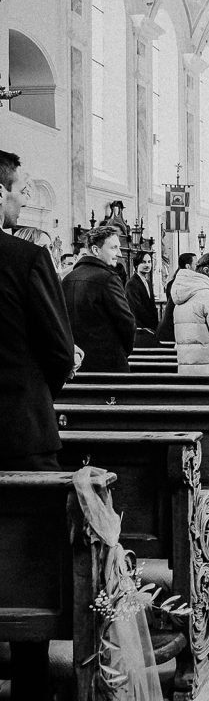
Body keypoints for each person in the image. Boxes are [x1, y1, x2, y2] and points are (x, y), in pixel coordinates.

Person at [0, 151, 78, 701]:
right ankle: (28, 679)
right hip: (17, 430)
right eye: (19, 188)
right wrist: (36, 395)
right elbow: (58, 349)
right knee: (26, 556)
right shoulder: (25, 256)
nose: (24, 197)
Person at [62, 225, 136, 373]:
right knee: (112, 398)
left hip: (77, 364)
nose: (119, 253)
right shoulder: (108, 278)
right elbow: (127, 322)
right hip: (108, 364)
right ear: (96, 250)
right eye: (114, 248)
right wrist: (121, 353)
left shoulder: (68, 278)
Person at [156, 252, 196, 343]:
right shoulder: (182, 285)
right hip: (171, 331)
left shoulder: (174, 282)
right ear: (188, 266)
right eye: (196, 264)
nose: (197, 268)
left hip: (172, 329)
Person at [125, 250, 159, 345]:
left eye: (149, 262)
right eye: (143, 262)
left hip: (150, 329)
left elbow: (151, 306)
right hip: (140, 330)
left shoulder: (147, 282)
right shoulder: (132, 283)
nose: (147, 265)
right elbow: (136, 309)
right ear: (136, 265)